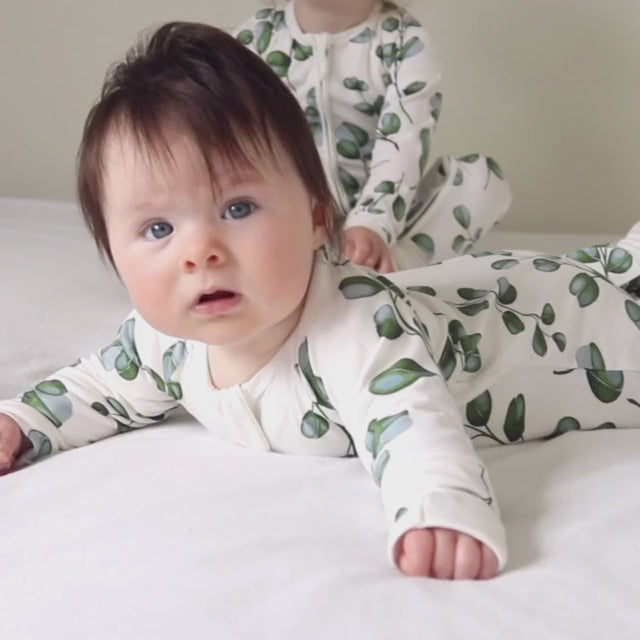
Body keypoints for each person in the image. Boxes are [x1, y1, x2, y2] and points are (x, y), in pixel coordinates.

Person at [1, 22, 639, 581]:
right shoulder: (160, 342)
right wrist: (22, 423)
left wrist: (438, 508)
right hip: (470, 292)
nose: (200, 252)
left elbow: (411, 424)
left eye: (238, 208)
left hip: (569, 335)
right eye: (158, 229)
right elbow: (94, 389)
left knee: (614, 298)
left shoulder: (355, 329)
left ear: (316, 219)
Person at [235, 0, 513, 272]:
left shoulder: (404, 42)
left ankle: (395, 266)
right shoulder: (255, 39)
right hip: (296, 218)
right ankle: (320, 269)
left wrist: (371, 224)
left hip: (384, 220)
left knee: (484, 181)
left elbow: (403, 145)